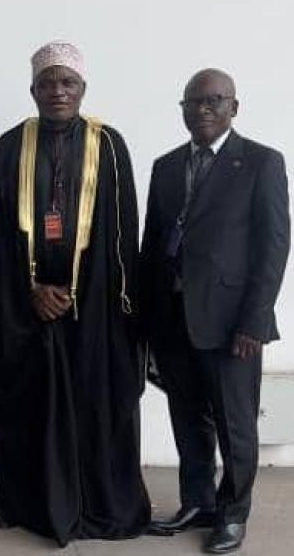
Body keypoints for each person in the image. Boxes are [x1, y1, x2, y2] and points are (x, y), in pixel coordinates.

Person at [0, 41, 150, 546]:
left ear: (83, 89)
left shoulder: (109, 146)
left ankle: (97, 501)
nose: (58, 91)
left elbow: (123, 234)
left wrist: (90, 296)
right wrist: (29, 290)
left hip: (94, 309)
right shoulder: (9, 148)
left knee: (96, 403)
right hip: (27, 309)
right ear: (33, 90)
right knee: (29, 403)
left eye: (67, 82)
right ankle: (25, 500)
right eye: (48, 83)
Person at [140, 69, 290, 554]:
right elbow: (151, 248)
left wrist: (254, 321)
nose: (202, 110)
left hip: (231, 325)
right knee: (188, 419)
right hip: (174, 320)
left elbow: (273, 248)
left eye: (213, 101)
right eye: (192, 102)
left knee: (235, 424)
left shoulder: (261, 163)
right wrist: (146, 323)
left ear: (234, 108)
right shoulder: (165, 167)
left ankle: (232, 514)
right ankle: (198, 502)